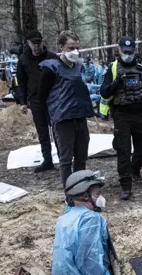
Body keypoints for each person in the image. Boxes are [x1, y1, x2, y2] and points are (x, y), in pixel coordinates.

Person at [99, 36, 142, 200]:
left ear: (135, 51)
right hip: (122, 115)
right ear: (119, 51)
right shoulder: (112, 69)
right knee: (123, 150)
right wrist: (115, 83)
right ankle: (125, 184)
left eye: (130, 51)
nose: (128, 54)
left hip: (141, 114)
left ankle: (135, 170)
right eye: (125, 52)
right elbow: (104, 93)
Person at [38, 30, 94, 188]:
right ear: (61, 47)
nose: (75, 51)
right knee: (66, 159)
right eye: (71, 47)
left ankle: (80, 189)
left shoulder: (78, 67)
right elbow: (41, 97)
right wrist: (51, 116)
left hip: (80, 117)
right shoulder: (50, 68)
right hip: (62, 120)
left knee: (81, 157)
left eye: (77, 47)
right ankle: (69, 193)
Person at [18, 30, 59, 173]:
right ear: (28, 43)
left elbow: (60, 78)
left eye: (38, 42)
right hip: (35, 100)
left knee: (57, 129)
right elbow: (21, 81)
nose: (36, 46)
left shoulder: (53, 57)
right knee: (42, 131)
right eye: (33, 43)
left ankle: (62, 157)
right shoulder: (23, 59)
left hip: (53, 99)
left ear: (42, 42)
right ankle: (47, 160)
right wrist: (23, 102)